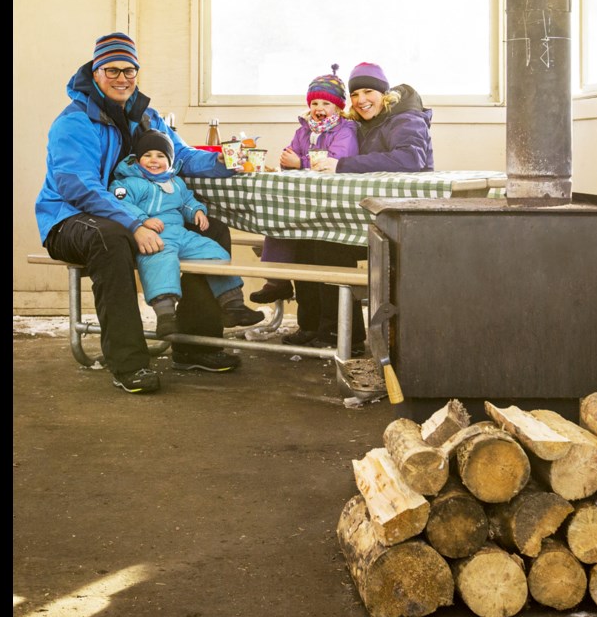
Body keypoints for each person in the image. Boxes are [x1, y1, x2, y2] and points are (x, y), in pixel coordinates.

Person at [35, 32, 244, 395]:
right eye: (112, 70)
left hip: (131, 217)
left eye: (129, 70)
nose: (122, 78)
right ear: (95, 72)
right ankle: (128, 362)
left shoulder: (146, 116)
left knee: (210, 230)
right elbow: (77, 186)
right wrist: (133, 224)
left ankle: (195, 346)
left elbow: (181, 157)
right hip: (68, 218)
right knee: (110, 238)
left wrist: (228, 161)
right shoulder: (74, 122)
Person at [299, 62, 435, 352]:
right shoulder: (361, 124)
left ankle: (340, 334)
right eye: (356, 93)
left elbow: (411, 159)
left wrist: (342, 165)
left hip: (402, 222)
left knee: (327, 246)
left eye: (369, 91)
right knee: (309, 239)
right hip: (369, 217)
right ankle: (314, 327)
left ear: (384, 93)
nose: (361, 100)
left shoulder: (405, 119)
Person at [109, 129, 266, 339]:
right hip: (156, 237)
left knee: (214, 251)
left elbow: (187, 202)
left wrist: (197, 211)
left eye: (161, 156)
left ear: (170, 161)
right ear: (137, 160)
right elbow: (121, 204)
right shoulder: (128, 183)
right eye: (147, 155)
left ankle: (232, 305)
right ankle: (166, 316)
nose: (154, 161)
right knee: (160, 262)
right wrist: (142, 220)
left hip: (182, 235)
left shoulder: (176, 182)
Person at [249, 65, 359, 322]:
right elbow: (291, 152)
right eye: (315, 102)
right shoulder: (304, 129)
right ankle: (277, 279)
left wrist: (301, 163)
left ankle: (312, 311)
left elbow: (339, 158)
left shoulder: (345, 130)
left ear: (339, 107)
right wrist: (290, 159)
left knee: (305, 239)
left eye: (326, 103)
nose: (319, 108)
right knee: (278, 215)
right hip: (304, 196)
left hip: (332, 201)